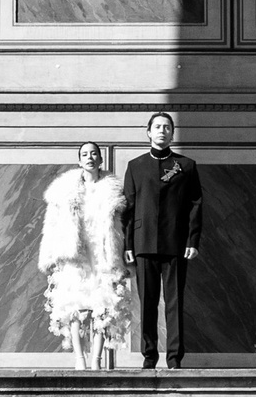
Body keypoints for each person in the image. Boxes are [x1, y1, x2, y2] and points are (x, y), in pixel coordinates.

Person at [116, 110, 203, 369]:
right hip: (143, 243)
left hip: (176, 242)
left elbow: (195, 204)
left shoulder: (186, 166)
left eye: (167, 127)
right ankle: (149, 357)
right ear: (148, 132)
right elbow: (128, 207)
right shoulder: (135, 166)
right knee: (148, 303)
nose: (162, 131)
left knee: (175, 302)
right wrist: (128, 244)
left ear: (172, 133)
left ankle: (174, 359)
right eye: (157, 127)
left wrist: (192, 240)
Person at [38, 142, 128, 368]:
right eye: (85, 154)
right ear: (79, 161)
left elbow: (122, 226)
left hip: (102, 252)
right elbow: (52, 225)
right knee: (74, 306)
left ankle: (96, 359)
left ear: (100, 159)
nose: (90, 157)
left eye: (94, 154)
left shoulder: (112, 190)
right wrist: (51, 254)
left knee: (103, 306)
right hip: (75, 253)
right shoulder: (63, 191)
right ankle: (79, 359)